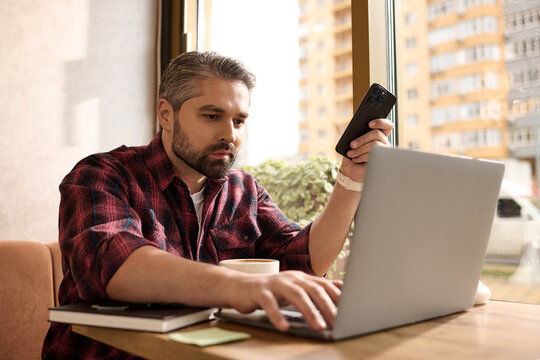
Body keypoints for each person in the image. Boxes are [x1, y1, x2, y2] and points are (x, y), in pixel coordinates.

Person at [42, 51, 393, 359]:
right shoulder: (101, 175)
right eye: (212, 116)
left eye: (239, 121)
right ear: (166, 114)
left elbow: (303, 259)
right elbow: (114, 265)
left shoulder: (244, 191)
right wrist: (243, 286)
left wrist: (351, 178)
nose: (231, 134)